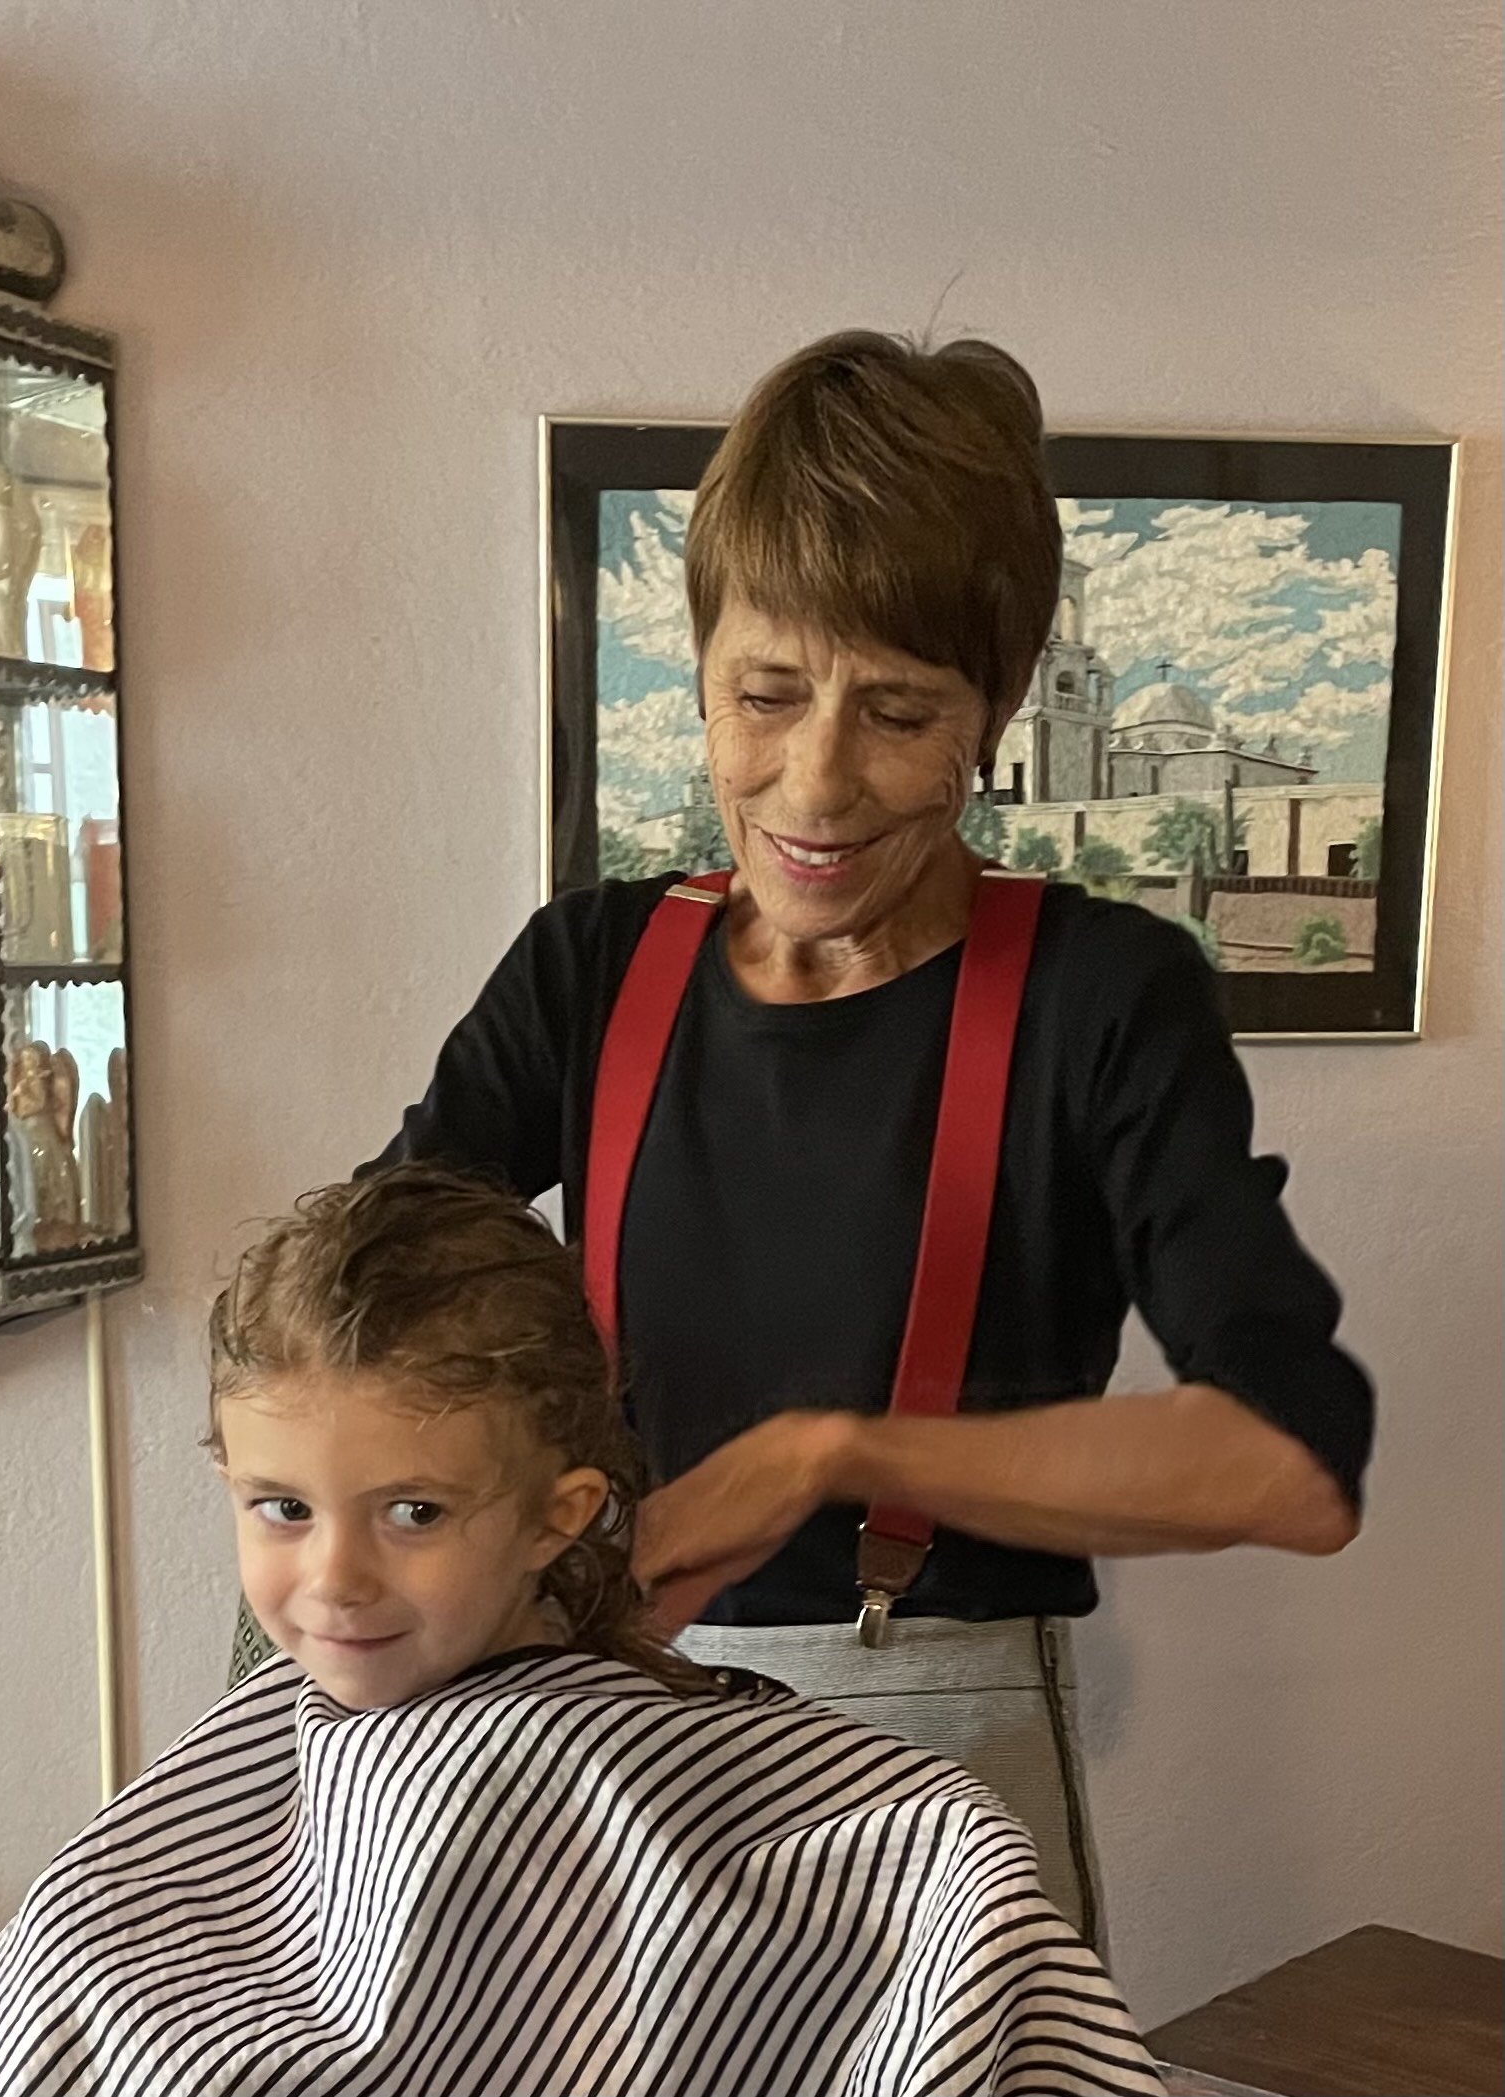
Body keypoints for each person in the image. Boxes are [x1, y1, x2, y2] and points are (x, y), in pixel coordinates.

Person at [260, 330, 1375, 1945]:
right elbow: (361, 1325)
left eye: (898, 711)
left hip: (937, 1747)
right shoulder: (589, 968)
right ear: (698, 667)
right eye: (763, 694)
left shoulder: (1100, 1002)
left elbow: (1291, 1459)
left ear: (990, 714)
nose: (816, 782)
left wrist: (831, 1457)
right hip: (591, 1739)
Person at [0, 1166, 1160, 2097]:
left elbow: (955, 1911)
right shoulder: (255, 1748)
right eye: (283, 1508)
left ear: (554, 1515)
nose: (334, 1578)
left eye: (413, 1511)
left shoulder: (717, 1794)